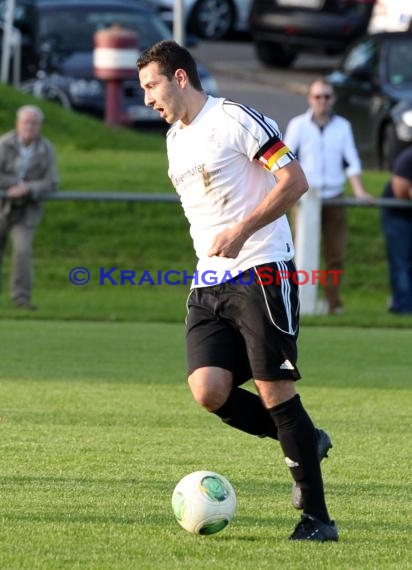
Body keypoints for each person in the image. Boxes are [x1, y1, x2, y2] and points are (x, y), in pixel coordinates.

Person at [137, 40, 338, 542]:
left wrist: (243, 230)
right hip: (208, 281)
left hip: (261, 268)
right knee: (209, 390)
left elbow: (293, 181)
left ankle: (317, 519)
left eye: (151, 86)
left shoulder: (234, 118)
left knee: (275, 392)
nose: (146, 99)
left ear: (180, 77)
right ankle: (307, 441)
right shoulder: (174, 139)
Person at [284, 77, 373, 315]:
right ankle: (295, 302)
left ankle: (333, 304)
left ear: (333, 99)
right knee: (298, 252)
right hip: (305, 200)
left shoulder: (342, 126)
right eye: (317, 96)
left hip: (334, 197)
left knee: (335, 254)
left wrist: (359, 190)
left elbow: (351, 160)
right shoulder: (298, 125)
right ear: (310, 99)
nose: (322, 101)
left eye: (327, 96)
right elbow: (285, 160)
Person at [0, 105, 58, 310]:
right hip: (2, 206)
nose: (30, 126)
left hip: (26, 210)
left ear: (40, 126)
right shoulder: (4, 144)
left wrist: (27, 188)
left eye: (34, 123)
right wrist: (13, 185)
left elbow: (51, 181)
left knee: (22, 251)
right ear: (17, 124)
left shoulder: (46, 149)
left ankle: (21, 299)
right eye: (26, 122)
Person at [381, 145, 412, 314]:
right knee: (401, 261)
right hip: (398, 213)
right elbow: (400, 191)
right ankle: (403, 307)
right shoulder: (408, 158)